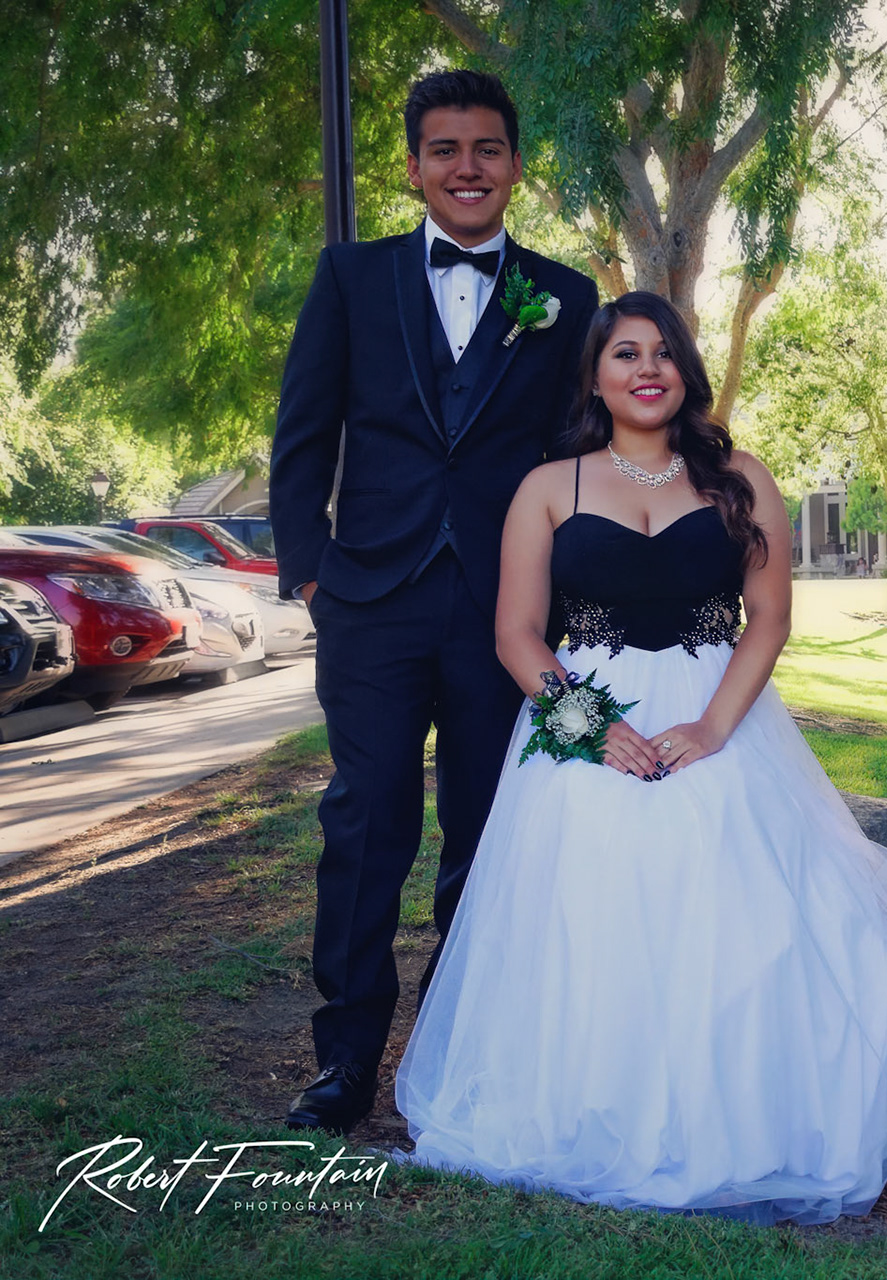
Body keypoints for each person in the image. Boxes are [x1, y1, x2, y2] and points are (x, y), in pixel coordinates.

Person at [393, 291, 887, 1225]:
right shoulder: (550, 488)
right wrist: (591, 726)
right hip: (583, 724)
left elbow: (768, 618)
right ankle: (586, 1113)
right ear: (595, 378)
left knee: (737, 912)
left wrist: (714, 729)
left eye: (662, 352)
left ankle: (732, 1125)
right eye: (625, 354)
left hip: (718, 713)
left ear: (685, 371)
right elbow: (517, 633)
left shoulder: (739, 476)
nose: (646, 369)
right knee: (590, 915)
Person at [270, 70, 598, 1136]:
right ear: (413, 167)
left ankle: (459, 1057)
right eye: (446, 150)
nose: (468, 167)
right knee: (366, 823)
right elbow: (303, 434)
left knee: (487, 831)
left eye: (487, 148)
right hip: (369, 600)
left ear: (515, 167)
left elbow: (578, 454)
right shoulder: (350, 277)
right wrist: (311, 574)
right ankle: (345, 1063)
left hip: (504, 612)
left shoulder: (566, 297)